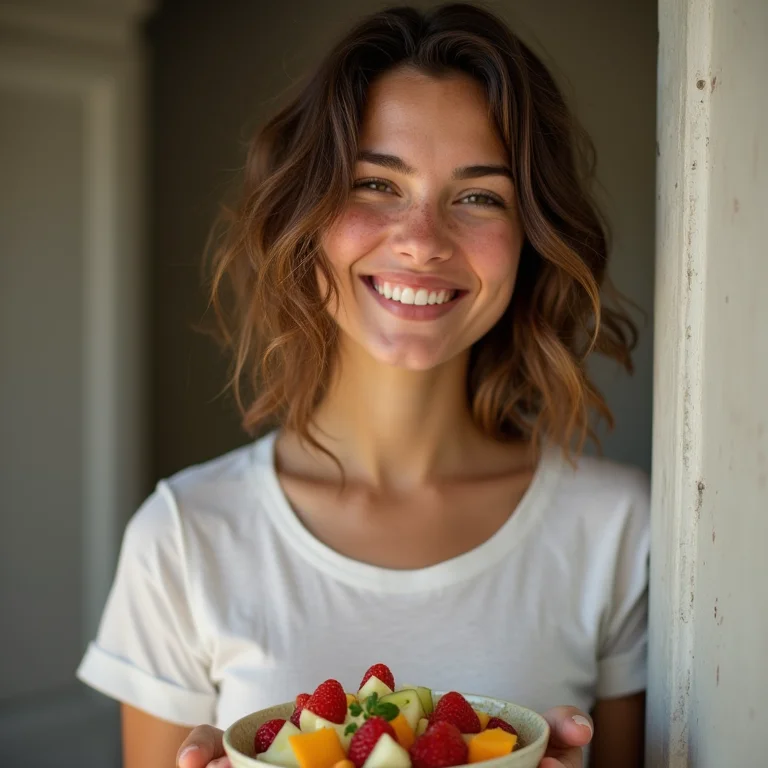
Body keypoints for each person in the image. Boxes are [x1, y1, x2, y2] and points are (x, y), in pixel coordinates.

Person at [76, 4, 649, 767]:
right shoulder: (183, 539)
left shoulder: (619, 533)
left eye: (479, 196)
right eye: (378, 183)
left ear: (531, 237)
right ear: (304, 215)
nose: (421, 240)